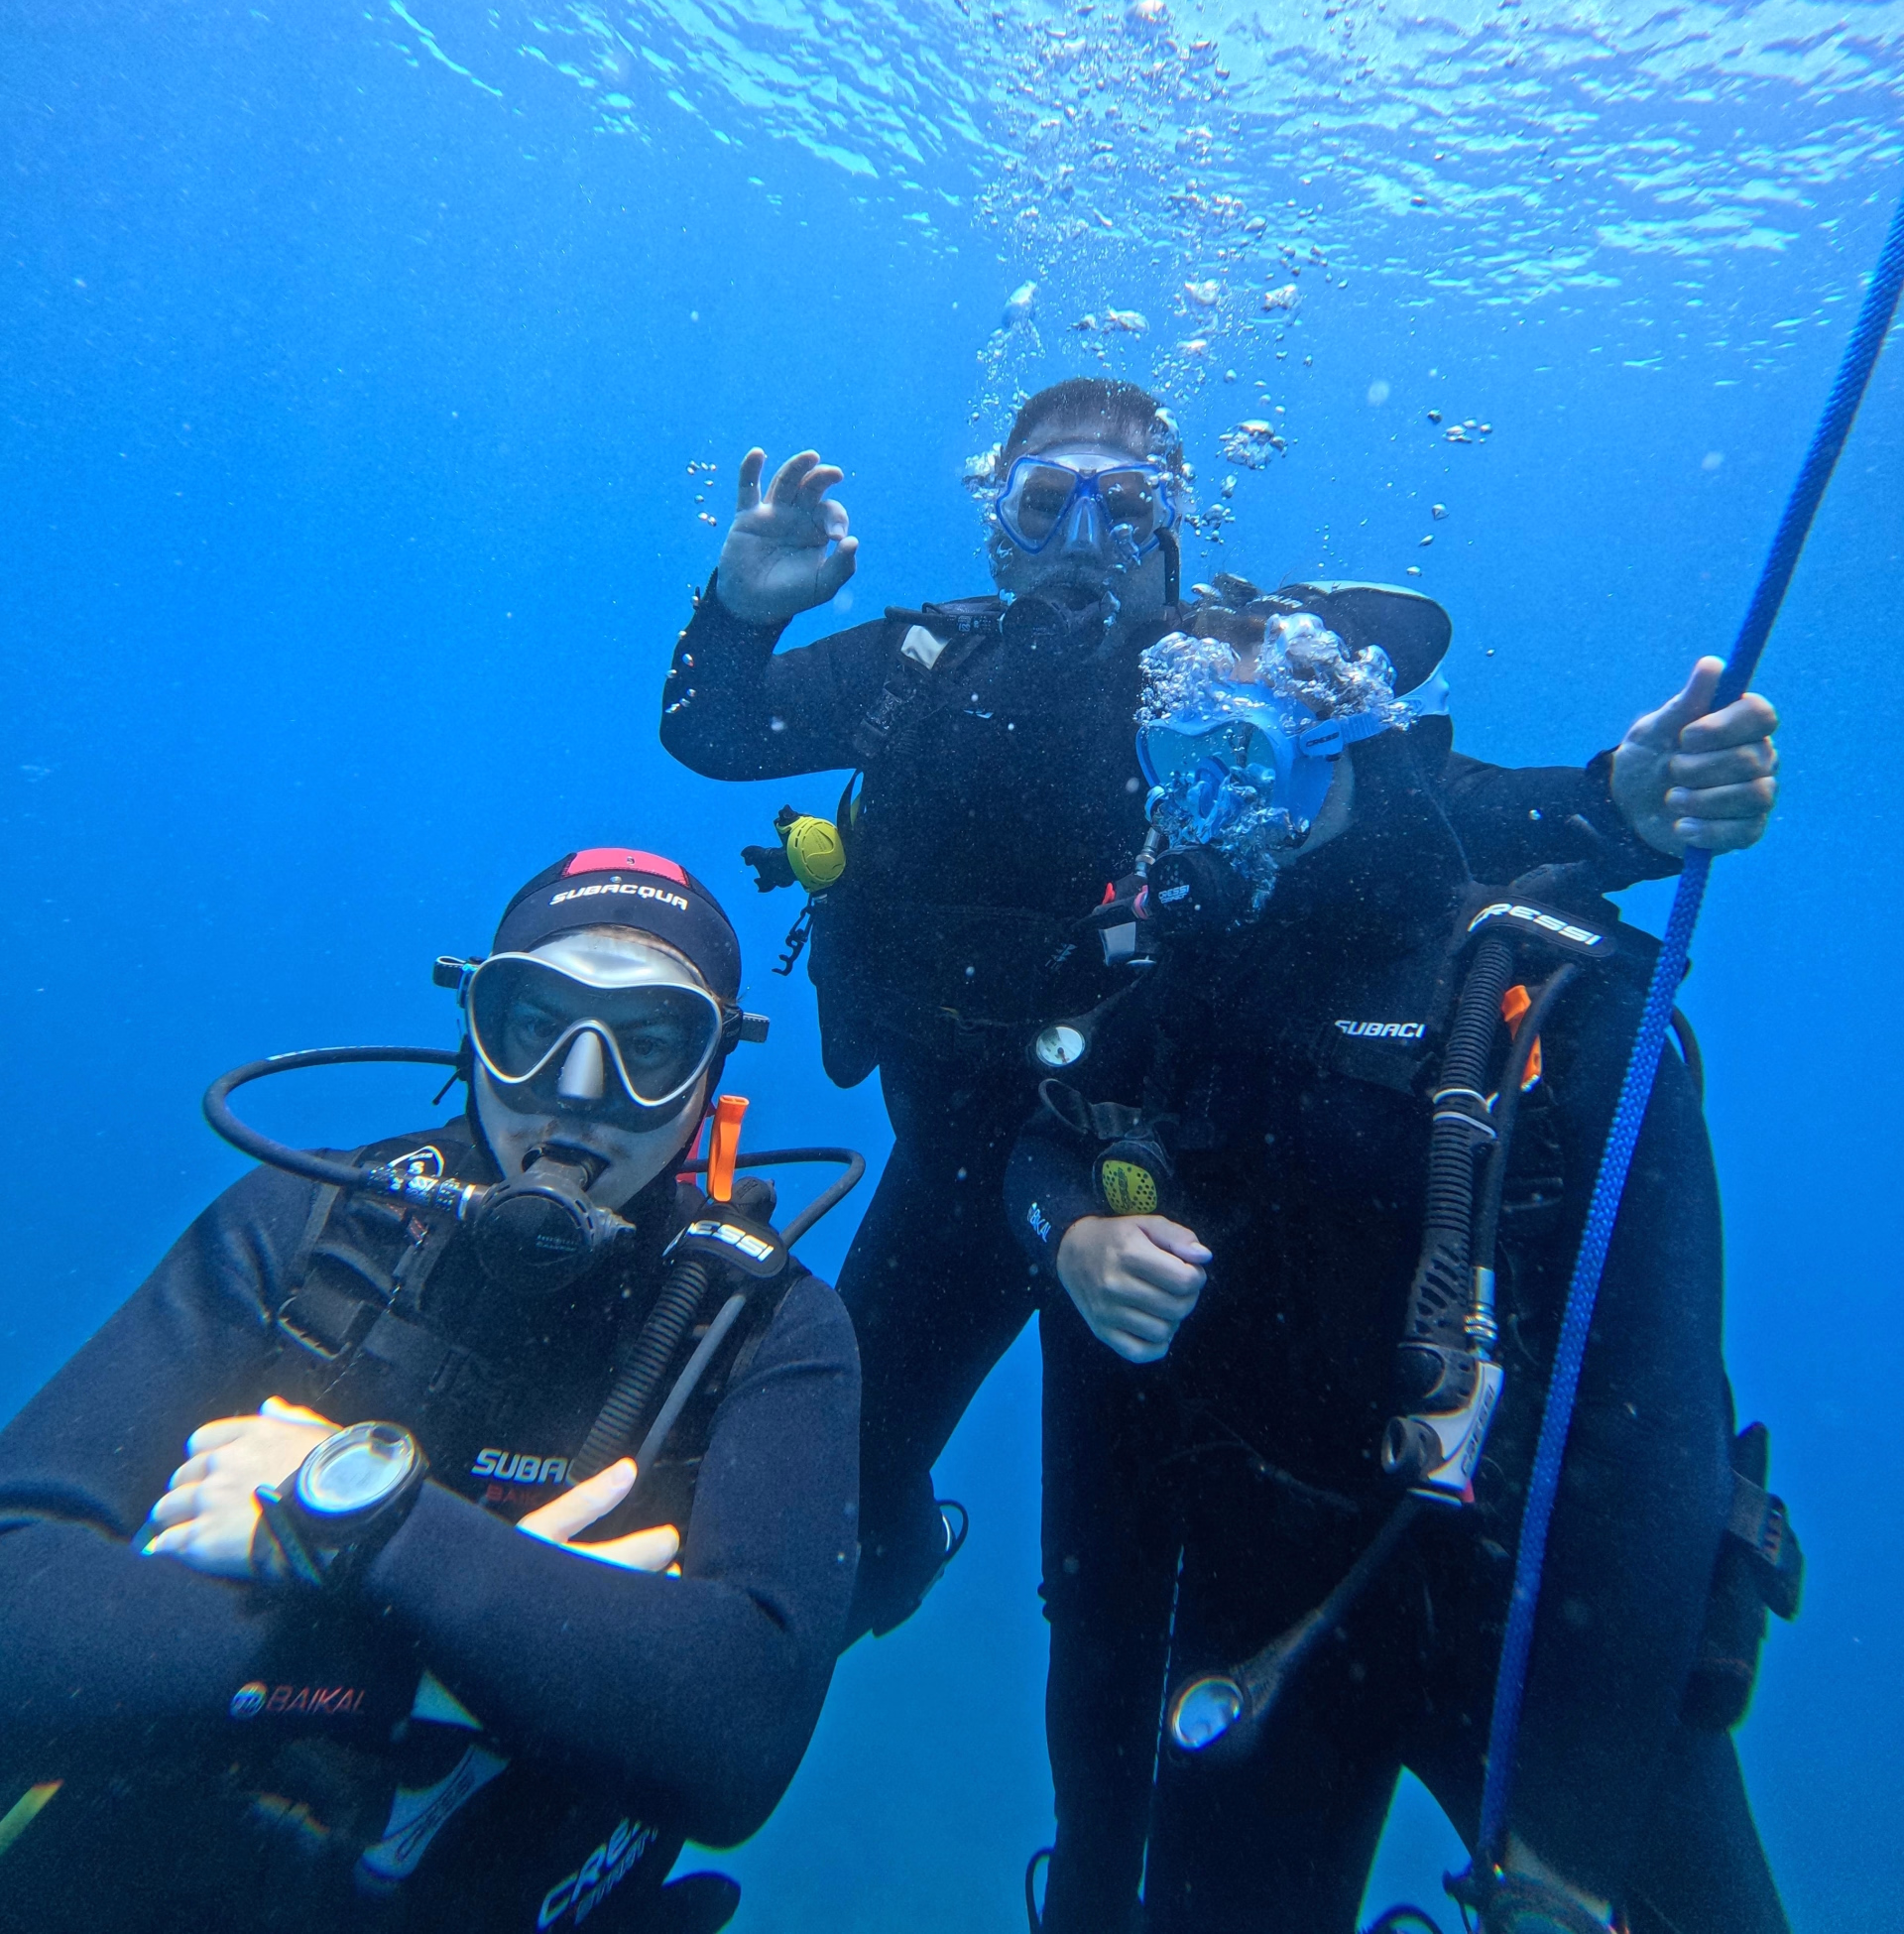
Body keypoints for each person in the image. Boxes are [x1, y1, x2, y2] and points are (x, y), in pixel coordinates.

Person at [658, 376, 1780, 1635]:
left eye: (1124, 506)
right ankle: (891, 1561)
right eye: (1043, 503)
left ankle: (1128, 1802)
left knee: (1123, 1595)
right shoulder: (918, 670)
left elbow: (1435, 813)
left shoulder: (1225, 691)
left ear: (1173, 521)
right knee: (840, 1501)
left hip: (1164, 1184)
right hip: (959, 1174)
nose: (1082, 540)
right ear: (997, 525)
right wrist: (739, 608)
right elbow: (713, 728)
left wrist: (1612, 807)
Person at [1003, 601, 1796, 1934]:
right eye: (1175, 765)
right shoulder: (1175, 967)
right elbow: (1040, 1142)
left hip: (1549, 1604)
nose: (1208, 811)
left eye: (1244, 760)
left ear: (1350, 748)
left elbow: (1657, 1439)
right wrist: (1075, 1234)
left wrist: (1569, 1848)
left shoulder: (1561, 1000)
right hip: (1270, 1579)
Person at [0, 847, 860, 1934]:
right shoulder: (308, 1226)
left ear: (710, 1077)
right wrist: (438, 1661)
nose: (579, 1088)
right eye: (532, 1021)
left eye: (649, 1042)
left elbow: (738, 1738)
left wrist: (352, 1526)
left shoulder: (759, 1324)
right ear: (473, 1024)